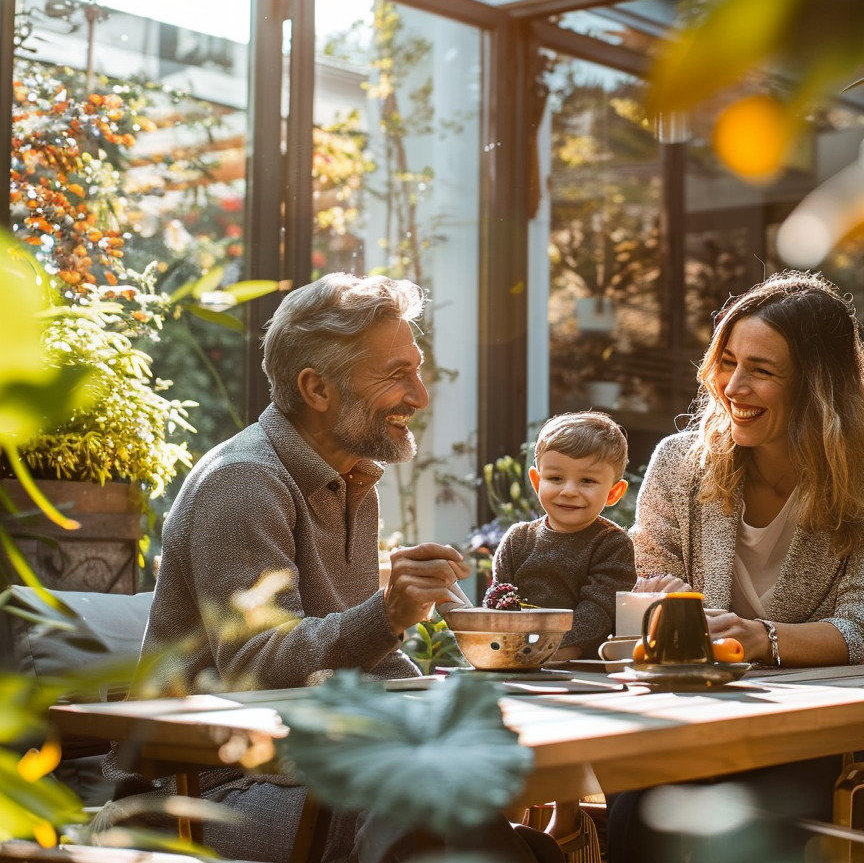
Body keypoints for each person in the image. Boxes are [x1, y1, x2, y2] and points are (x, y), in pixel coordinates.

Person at [107, 273, 561, 863]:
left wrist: (461, 694)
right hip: (203, 791)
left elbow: (361, 657)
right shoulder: (244, 482)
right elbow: (256, 665)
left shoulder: (353, 479)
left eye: (416, 369)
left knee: (520, 842)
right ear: (317, 389)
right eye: (396, 375)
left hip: (302, 767)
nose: (420, 396)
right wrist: (388, 613)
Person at [606, 270, 864, 863]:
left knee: (761, 811)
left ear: (817, 387)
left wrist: (764, 639)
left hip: (818, 732)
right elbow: (647, 587)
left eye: (761, 369)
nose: (733, 385)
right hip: (689, 717)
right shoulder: (680, 464)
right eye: (727, 361)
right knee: (639, 805)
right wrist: (662, 604)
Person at [487, 410, 637, 861]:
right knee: (502, 736)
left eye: (588, 482)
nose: (569, 491)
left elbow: (598, 609)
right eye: (556, 477)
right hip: (518, 659)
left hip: (580, 665)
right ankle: (507, 826)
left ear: (613, 491)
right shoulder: (517, 539)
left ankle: (569, 816)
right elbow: (500, 598)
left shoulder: (611, 543)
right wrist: (507, 641)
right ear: (537, 480)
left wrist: (554, 651)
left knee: (570, 736)